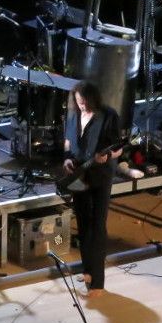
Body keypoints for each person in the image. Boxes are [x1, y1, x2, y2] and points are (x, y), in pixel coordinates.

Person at [63, 81, 123, 298]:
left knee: (98, 226)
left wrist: (108, 156)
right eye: (79, 102)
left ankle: (98, 283)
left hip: (100, 176)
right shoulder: (72, 115)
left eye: (85, 102)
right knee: (83, 223)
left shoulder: (108, 116)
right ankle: (87, 271)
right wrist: (67, 160)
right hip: (79, 175)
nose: (82, 105)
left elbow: (119, 148)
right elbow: (68, 142)